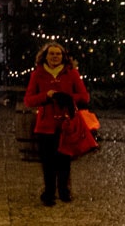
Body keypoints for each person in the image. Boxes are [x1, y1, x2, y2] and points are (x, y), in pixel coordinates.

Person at [24, 41, 90, 206]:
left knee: (64, 160)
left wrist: (67, 97)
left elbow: (85, 97)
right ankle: (49, 192)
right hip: (45, 125)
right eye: (51, 54)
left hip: (66, 124)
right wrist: (46, 96)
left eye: (58, 54)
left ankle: (64, 191)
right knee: (48, 161)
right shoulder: (37, 74)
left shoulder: (71, 73)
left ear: (63, 56)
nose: (55, 57)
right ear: (45, 56)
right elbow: (28, 100)